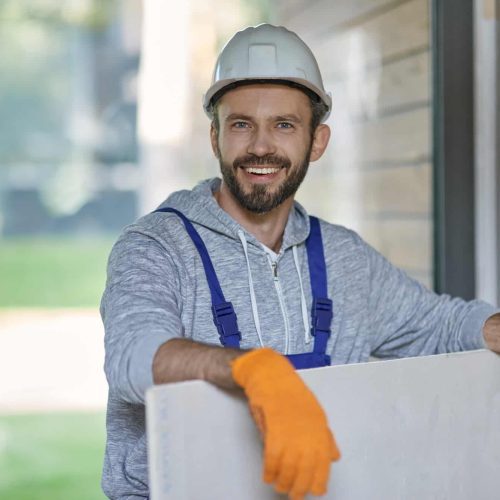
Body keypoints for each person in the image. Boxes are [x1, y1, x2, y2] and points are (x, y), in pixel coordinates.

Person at [100, 23, 500, 499]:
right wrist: (253, 370)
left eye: (284, 125)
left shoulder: (344, 257)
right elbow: (132, 356)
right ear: (215, 137)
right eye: (241, 124)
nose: (261, 146)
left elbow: (438, 326)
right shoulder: (156, 246)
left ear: (317, 141)